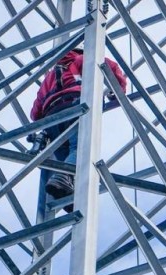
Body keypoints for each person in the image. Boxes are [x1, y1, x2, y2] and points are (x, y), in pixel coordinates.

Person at [30, 46, 127, 207]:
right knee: (82, 149)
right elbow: (110, 66)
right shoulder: (80, 60)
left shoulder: (50, 77)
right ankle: (63, 180)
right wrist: (118, 89)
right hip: (76, 106)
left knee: (65, 158)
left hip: (51, 119)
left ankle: (65, 191)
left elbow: (35, 114)